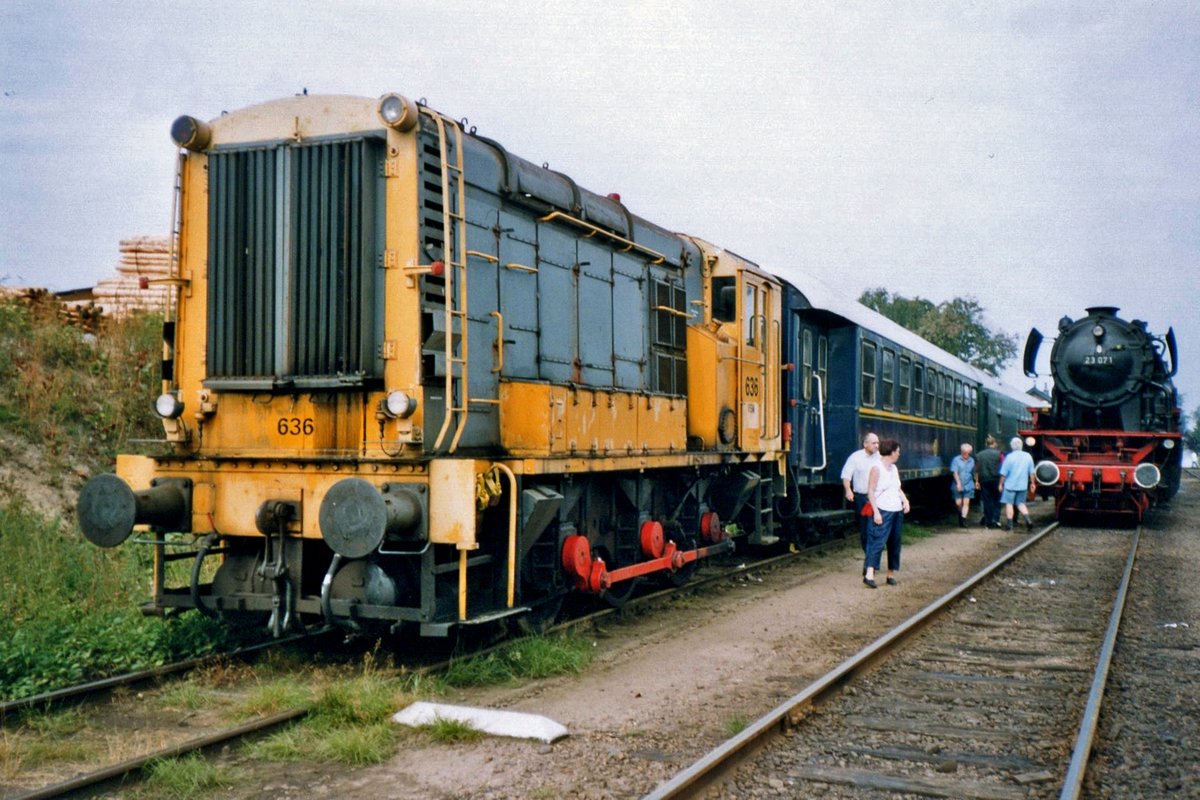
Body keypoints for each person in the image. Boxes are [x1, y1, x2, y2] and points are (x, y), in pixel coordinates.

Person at [863, 438, 910, 588]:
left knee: (894, 543)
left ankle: (890, 574)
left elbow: (897, 488)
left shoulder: (894, 469)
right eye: (897, 452)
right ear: (891, 452)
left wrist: (905, 501)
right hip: (882, 509)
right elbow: (870, 491)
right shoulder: (876, 468)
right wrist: (876, 512)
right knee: (877, 541)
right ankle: (869, 574)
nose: (899, 454)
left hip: (896, 509)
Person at [840, 432, 881, 554]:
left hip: (878, 498)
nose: (877, 445)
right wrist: (848, 490)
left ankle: (873, 557)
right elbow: (846, 476)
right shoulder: (855, 457)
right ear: (865, 444)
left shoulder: (880, 458)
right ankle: (869, 556)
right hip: (863, 499)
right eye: (874, 443)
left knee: (877, 528)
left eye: (878, 443)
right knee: (865, 529)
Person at [998, 436, 1036, 531]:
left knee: (1009, 504)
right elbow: (1031, 472)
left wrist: (1000, 484)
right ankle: (1028, 520)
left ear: (1012, 446)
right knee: (1021, 504)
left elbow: (1003, 473)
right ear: (1021, 446)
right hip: (1022, 485)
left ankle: (1009, 525)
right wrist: (1033, 483)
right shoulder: (1028, 456)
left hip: (1010, 485)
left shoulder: (1009, 457)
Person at [975, 435, 1003, 528]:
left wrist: (977, 481)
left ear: (986, 444)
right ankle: (996, 519)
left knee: (987, 501)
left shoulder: (979, 455)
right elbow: (1003, 467)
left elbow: (976, 470)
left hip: (984, 480)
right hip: (996, 480)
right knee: (997, 500)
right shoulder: (999, 454)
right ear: (994, 444)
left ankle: (988, 521)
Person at [949, 443, 976, 528]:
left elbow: (974, 472)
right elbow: (955, 472)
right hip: (957, 483)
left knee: (966, 503)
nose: (966, 455)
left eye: (968, 453)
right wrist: (958, 483)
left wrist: (977, 481)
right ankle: (960, 515)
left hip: (969, 484)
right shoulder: (956, 460)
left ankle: (963, 519)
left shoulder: (972, 460)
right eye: (964, 453)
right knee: (958, 503)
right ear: (962, 451)